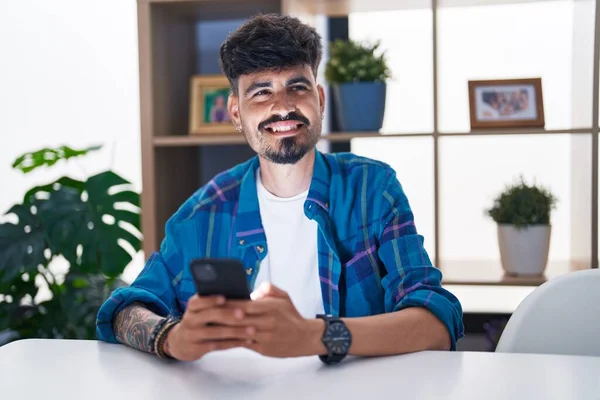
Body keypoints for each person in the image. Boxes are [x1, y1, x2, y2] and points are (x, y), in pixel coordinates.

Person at [96, 13, 463, 364]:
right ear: (236, 113)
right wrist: (171, 338)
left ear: (319, 99)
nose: (282, 106)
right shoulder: (201, 214)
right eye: (261, 93)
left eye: (296, 87)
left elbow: (436, 321)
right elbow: (125, 310)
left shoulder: (373, 189)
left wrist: (316, 336)